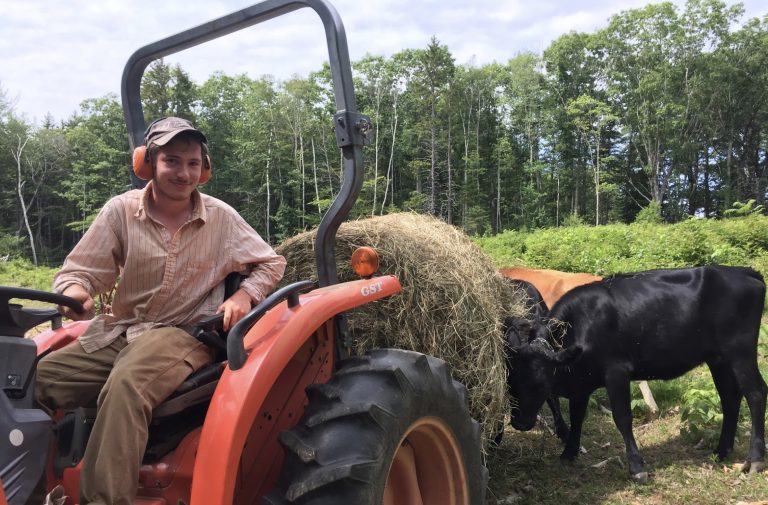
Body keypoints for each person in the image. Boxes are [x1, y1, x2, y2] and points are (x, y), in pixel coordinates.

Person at [33, 117, 286, 505]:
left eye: (192, 163)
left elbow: (271, 263)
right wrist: (76, 290)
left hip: (184, 334)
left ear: (204, 170)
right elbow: (81, 270)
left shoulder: (221, 217)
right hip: (121, 331)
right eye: (172, 160)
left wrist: (243, 296)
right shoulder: (121, 211)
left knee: (127, 385)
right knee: (31, 382)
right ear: (147, 163)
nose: (183, 173)